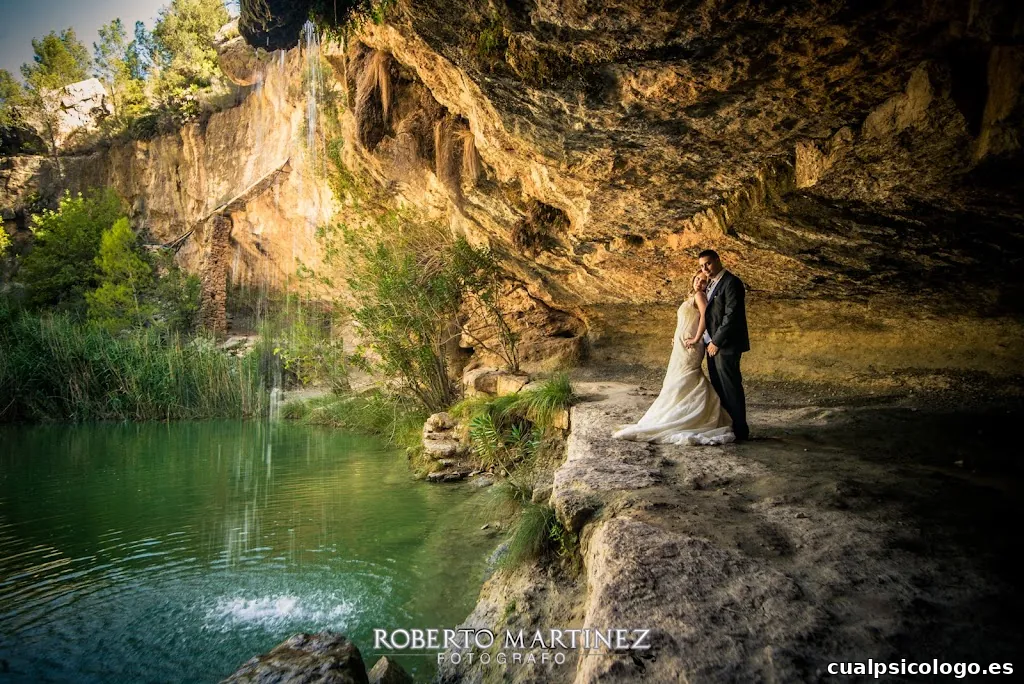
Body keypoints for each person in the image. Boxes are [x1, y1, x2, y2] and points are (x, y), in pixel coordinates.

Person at [612, 272, 735, 445]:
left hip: (690, 345)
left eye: (704, 281)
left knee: (687, 377)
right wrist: (677, 336)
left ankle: (692, 415)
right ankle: (678, 412)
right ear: (692, 279)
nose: (700, 283)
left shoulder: (700, 296)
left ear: (708, 285)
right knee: (676, 377)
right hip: (681, 344)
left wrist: (696, 338)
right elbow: (686, 322)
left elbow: (706, 318)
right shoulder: (691, 296)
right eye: (698, 279)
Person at [698, 249, 750, 441]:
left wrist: (717, 341)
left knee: (731, 386)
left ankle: (740, 430)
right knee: (718, 386)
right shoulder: (710, 284)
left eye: (708, 264)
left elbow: (731, 315)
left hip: (726, 345)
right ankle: (727, 426)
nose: (705, 269)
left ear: (718, 261)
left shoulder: (731, 282)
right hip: (711, 345)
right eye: (702, 266)